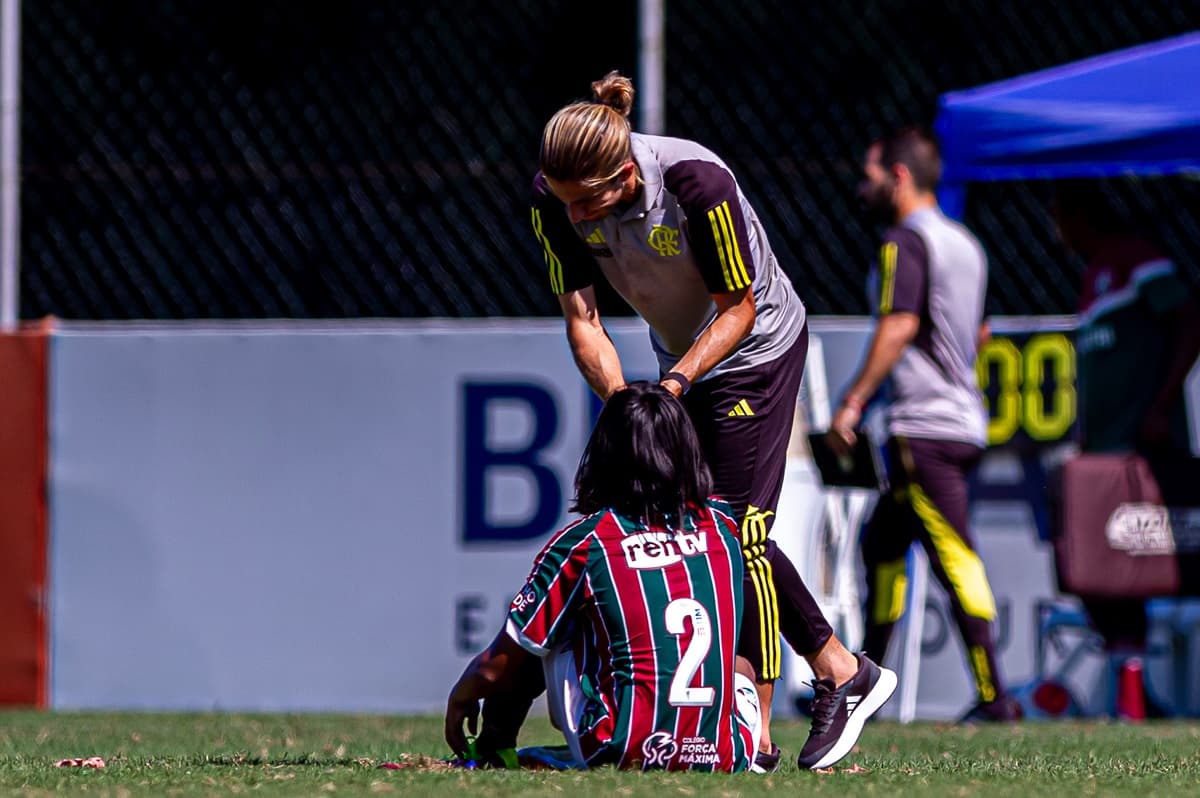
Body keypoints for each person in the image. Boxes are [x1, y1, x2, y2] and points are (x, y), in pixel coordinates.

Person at [528, 70, 896, 770]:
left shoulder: (696, 183)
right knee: (690, 525)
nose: (577, 218)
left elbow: (740, 308)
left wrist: (673, 385)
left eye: (589, 204)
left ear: (625, 174)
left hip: (756, 349)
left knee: (736, 530)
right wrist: (625, 403)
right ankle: (825, 680)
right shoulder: (554, 198)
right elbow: (583, 321)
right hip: (682, 358)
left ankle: (784, 711)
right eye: (567, 202)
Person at [445, 382, 761, 771]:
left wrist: (461, 695)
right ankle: (757, 749)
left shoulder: (588, 541)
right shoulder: (722, 523)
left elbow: (499, 665)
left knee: (541, 630)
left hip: (620, 750)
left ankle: (493, 750)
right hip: (723, 758)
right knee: (741, 667)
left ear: (606, 453)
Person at [830, 127, 1017, 723]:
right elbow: (979, 333)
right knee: (882, 547)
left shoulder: (904, 242)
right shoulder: (966, 243)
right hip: (957, 420)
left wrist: (853, 402)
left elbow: (901, 323)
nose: (862, 189)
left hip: (922, 427)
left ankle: (996, 698)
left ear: (900, 176)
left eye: (870, 176)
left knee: (956, 557)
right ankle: (862, 681)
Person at [1051, 179, 1200, 693]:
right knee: (1093, 565)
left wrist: (1160, 406)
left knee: (1141, 562)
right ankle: (1131, 685)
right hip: (1102, 452)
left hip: (1143, 451)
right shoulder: (1092, 274)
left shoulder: (1137, 259)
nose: (1057, 233)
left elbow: (1190, 320)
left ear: (1081, 216)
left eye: (1060, 218)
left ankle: (1134, 685)